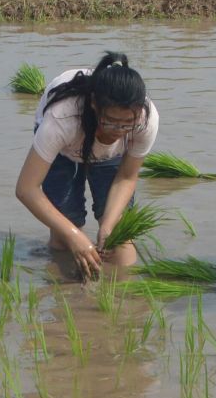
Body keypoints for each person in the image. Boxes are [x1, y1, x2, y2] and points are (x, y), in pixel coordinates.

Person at [11, 53, 159, 276]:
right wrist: (74, 236)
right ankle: (65, 290)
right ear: (94, 105)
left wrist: (107, 226)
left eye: (126, 124)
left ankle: (124, 291)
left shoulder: (145, 121)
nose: (117, 131)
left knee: (118, 236)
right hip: (63, 151)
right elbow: (26, 189)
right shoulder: (62, 119)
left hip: (109, 156)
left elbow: (127, 177)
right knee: (64, 232)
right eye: (110, 121)